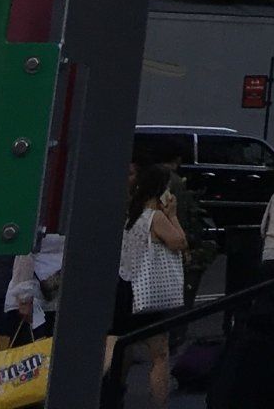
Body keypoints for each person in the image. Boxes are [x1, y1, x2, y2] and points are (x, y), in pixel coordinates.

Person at [103, 159, 188, 407]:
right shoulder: (155, 217)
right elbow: (179, 242)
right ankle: (158, 403)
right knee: (160, 353)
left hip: (124, 286)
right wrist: (173, 215)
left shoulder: (132, 213)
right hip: (146, 293)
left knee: (118, 345)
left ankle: (110, 393)